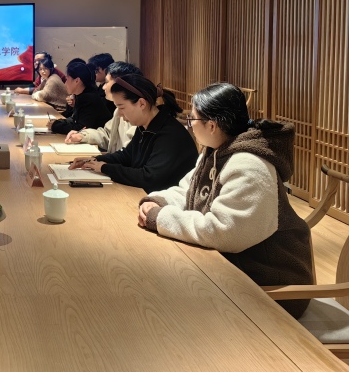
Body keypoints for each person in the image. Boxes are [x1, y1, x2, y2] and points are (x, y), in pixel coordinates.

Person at [137, 83, 313, 318]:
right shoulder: (214, 150)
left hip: (271, 283)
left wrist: (161, 218)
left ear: (211, 125)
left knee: (164, 299)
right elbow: (187, 190)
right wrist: (159, 201)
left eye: (192, 119)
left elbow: (223, 231)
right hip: (231, 267)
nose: (189, 125)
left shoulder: (249, 165)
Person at [69, 74, 197, 193]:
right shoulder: (144, 126)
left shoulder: (169, 134)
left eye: (121, 107)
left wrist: (104, 168)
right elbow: (127, 155)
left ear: (141, 103)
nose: (119, 114)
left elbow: (149, 177)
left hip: (163, 203)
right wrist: (94, 160)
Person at [65, 61, 142, 153]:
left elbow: (128, 154)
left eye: (106, 82)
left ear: (121, 84)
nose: (103, 87)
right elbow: (107, 134)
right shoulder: (118, 110)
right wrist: (83, 136)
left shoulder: (137, 115)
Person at [49, 60, 110, 135]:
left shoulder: (89, 98)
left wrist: (55, 126)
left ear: (77, 81)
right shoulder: (81, 95)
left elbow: (80, 128)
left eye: (67, 79)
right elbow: (74, 119)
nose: (65, 83)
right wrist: (58, 122)